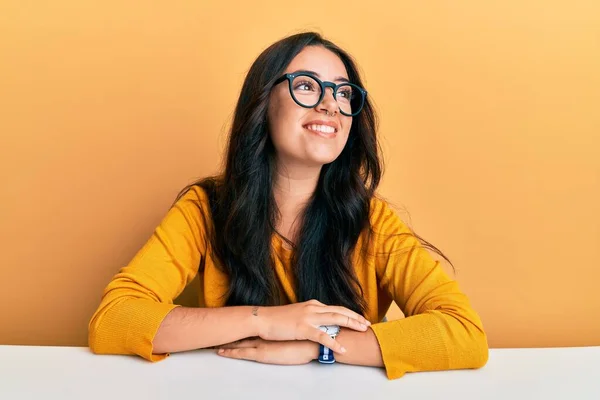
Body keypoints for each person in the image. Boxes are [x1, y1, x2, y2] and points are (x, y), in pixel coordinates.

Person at [88, 31, 488, 380]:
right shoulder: (204, 209)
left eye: (343, 92)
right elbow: (114, 320)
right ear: (263, 103)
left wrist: (321, 346)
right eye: (308, 86)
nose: (331, 104)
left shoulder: (373, 222)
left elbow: (464, 334)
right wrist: (268, 322)